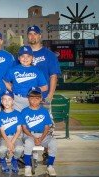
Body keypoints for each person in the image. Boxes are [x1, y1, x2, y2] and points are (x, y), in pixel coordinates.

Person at [27, 25, 61, 163]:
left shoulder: (49, 54)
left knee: (46, 126)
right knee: (28, 125)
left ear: (40, 36)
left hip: (43, 96)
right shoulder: (24, 53)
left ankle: (47, 152)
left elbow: (53, 75)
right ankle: (29, 154)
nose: (33, 36)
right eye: (30, 34)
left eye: (35, 34)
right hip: (26, 97)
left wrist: (50, 95)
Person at [21, 87, 57, 177]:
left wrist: (41, 138)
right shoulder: (24, 111)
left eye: (37, 98)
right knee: (28, 143)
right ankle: (28, 167)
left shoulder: (44, 111)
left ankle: (50, 166)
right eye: (31, 98)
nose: (34, 101)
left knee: (53, 143)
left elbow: (47, 128)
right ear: (28, 99)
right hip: (29, 134)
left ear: (41, 99)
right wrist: (34, 138)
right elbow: (24, 128)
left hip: (43, 135)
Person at [4, 45, 48, 112]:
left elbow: (45, 87)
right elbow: (4, 81)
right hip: (17, 100)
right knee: (18, 121)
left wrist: (33, 90)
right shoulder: (13, 70)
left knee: (30, 120)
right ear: (19, 58)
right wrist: (12, 88)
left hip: (32, 100)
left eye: (28, 56)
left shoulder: (37, 71)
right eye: (22, 56)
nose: (25, 58)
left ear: (32, 58)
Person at [0, 90, 23, 174]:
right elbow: (2, 131)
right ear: (1, 101)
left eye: (9, 99)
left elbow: (19, 130)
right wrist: (8, 142)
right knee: (2, 149)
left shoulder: (18, 113)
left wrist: (12, 142)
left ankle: (14, 160)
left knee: (19, 148)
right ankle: (2, 160)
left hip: (16, 137)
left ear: (13, 101)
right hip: (4, 137)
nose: (7, 102)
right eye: (4, 99)